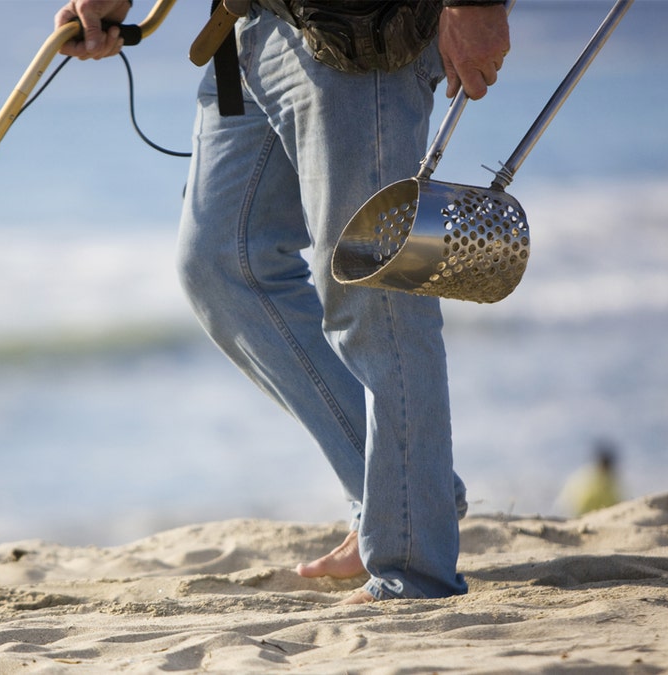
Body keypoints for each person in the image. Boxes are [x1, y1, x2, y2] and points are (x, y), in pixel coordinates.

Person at [55, 0, 510, 603]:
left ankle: (413, 566)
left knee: (376, 293)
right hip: (251, 27)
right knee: (218, 263)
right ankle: (400, 499)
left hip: (361, 33)